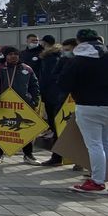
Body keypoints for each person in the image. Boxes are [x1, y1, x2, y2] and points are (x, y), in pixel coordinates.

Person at [59, 29, 108, 194]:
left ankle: (97, 181)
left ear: (79, 42)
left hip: (88, 106)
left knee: (94, 144)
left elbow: (64, 84)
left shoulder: (78, 60)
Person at [0, 46, 40, 165]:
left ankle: (28, 154)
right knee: (3, 130)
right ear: (4, 56)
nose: (13, 56)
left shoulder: (27, 69)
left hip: (24, 105)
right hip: (4, 105)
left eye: (16, 54)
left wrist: (34, 101)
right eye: (10, 54)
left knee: (26, 130)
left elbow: (34, 86)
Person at [38, 37, 72, 167]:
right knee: (59, 127)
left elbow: (48, 78)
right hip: (60, 97)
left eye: (68, 49)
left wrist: (43, 94)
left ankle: (58, 156)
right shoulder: (61, 59)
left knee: (57, 126)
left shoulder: (51, 59)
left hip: (57, 98)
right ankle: (61, 156)